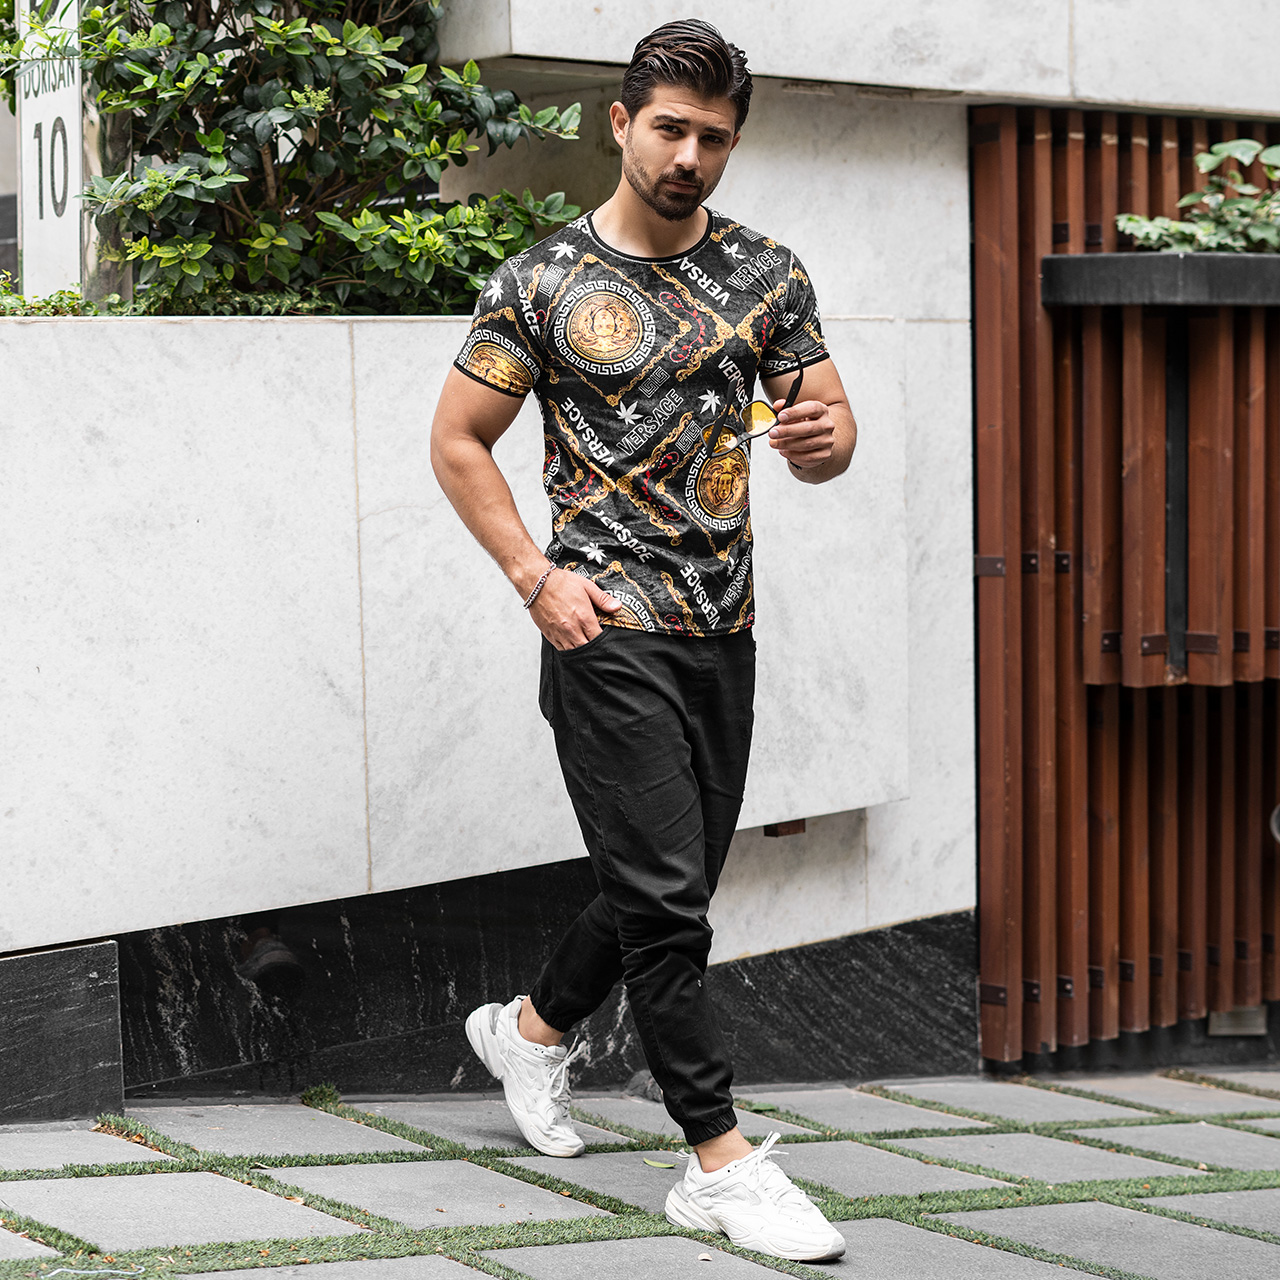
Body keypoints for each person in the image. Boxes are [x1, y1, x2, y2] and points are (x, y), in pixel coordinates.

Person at [430, 18, 856, 1264]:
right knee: (669, 900)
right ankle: (717, 1160)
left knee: (663, 882)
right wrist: (535, 579)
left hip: (724, 625)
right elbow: (457, 441)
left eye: (712, 137)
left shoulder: (767, 273)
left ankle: (529, 1032)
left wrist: (823, 441)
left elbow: (828, 428)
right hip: (604, 623)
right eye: (668, 128)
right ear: (619, 123)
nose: (687, 156)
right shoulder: (539, 281)